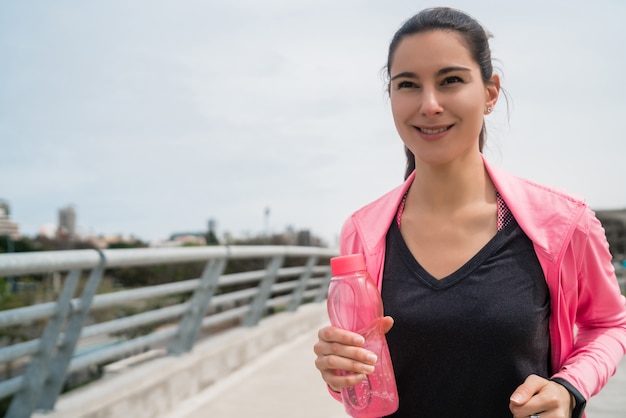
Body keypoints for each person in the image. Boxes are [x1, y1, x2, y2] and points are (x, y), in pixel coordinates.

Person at [313, 7, 626, 418]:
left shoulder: (563, 223)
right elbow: (362, 379)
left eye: (451, 81)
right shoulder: (363, 232)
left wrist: (569, 388)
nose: (429, 104)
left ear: (490, 92)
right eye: (407, 85)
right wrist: (341, 372)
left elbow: (609, 325)